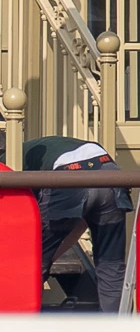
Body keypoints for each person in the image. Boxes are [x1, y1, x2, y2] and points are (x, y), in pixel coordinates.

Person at [24, 134, 131, 312]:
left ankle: (15, 326)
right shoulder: (39, 146)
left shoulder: (9, 163)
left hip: (69, 174)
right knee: (111, 264)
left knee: (32, 264)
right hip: (108, 168)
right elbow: (79, 224)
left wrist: (44, 259)